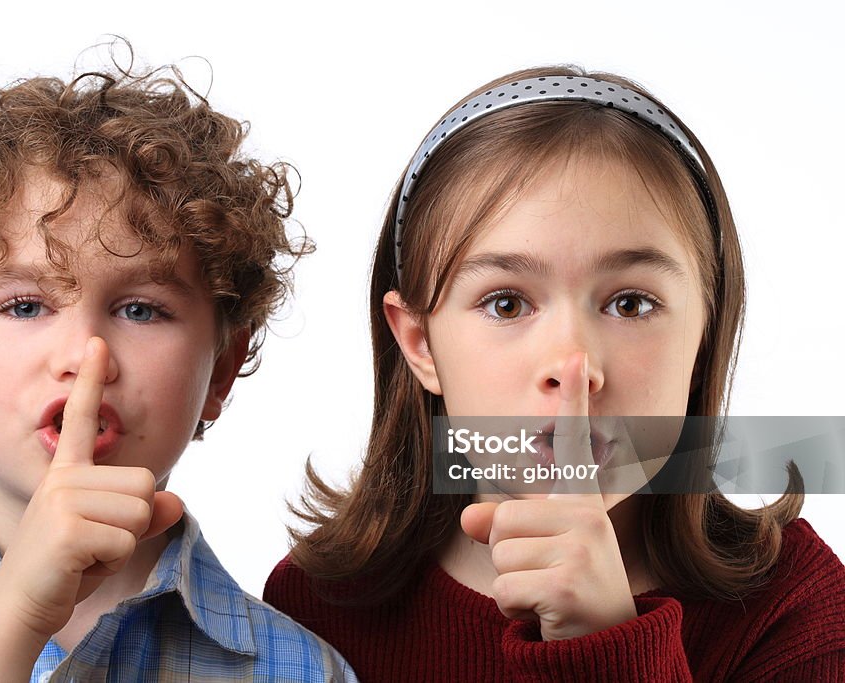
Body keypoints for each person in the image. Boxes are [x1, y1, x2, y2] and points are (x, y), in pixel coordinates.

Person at [264, 67, 845, 681]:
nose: (574, 367)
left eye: (630, 304)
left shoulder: (797, 615)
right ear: (420, 344)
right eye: (507, 304)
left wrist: (608, 646)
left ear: (703, 331)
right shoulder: (316, 606)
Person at [0, 48, 355, 682]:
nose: (85, 357)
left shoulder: (293, 670)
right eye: (24, 306)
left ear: (219, 373)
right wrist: (16, 614)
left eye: (141, 310)